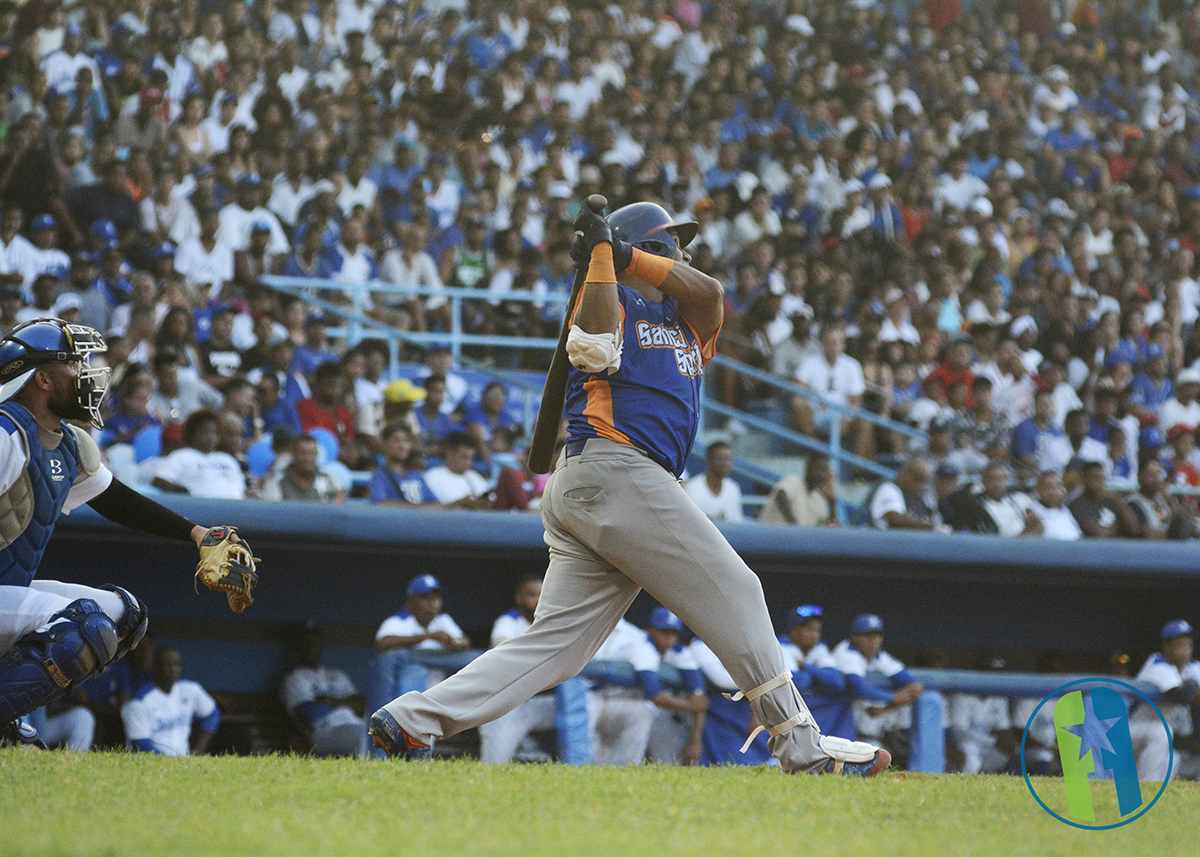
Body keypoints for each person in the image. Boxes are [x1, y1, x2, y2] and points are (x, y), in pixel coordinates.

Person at [370, 201, 889, 776]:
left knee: (557, 648)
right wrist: (602, 264)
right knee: (738, 587)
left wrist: (620, 254)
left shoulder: (690, 318)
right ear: (649, 245)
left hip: (604, 482)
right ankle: (800, 743)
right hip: (614, 466)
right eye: (676, 243)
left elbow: (711, 293)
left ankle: (412, 719)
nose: (686, 253)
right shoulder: (611, 298)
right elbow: (591, 345)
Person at [0, 319, 252, 748]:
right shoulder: (6, 432)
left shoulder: (70, 443)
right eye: (74, 365)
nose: (85, 375)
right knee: (83, 627)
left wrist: (197, 534)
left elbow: (117, 501)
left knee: (124, 616)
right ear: (42, 378)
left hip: (7, 592)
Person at [477, 577, 560, 763]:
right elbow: (501, 644)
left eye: (542, 595)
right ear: (519, 599)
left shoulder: (553, 622)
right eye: (532, 595)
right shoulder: (508, 621)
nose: (538, 600)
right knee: (493, 765)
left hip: (541, 702)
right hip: (506, 705)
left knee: (580, 708)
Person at [831, 614, 924, 765]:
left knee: (876, 759)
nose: (874, 641)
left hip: (865, 733)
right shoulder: (846, 652)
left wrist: (887, 708)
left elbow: (914, 685)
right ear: (855, 638)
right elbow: (859, 689)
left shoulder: (880, 657)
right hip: (836, 725)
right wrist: (893, 698)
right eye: (868, 636)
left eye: (877, 636)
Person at [1129, 620, 1200, 782]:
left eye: (1188, 646)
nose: (1185, 651)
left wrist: (1192, 685)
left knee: (1172, 759)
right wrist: (1194, 684)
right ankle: (1147, 785)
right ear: (1166, 649)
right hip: (1128, 730)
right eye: (1179, 646)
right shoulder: (1157, 665)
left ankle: (1152, 793)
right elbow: (1181, 696)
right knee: (1161, 731)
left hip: (1149, 736)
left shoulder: (1192, 666)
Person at [280, 623, 366, 757]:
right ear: (297, 647)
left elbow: (363, 705)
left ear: (321, 646)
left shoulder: (337, 675)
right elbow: (310, 714)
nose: (310, 648)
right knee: (367, 739)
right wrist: (347, 703)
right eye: (306, 643)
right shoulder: (295, 678)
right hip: (324, 731)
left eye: (315, 643)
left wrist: (332, 701)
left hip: (354, 725)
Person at [120, 645, 219, 755]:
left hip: (183, 761)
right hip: (150, 763)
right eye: (168, 665)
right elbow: (141, 743)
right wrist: (171, 763)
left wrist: (198, 752)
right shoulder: (138, 702)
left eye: (177, 665)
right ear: (156, 667)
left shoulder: (190, 689)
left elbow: (212, 714)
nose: (174, 670)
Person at [644, 607, 708, 766]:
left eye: (673, 633)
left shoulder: (681, 653)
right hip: (619, 701)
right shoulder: (640, 646)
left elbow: (699, 701)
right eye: (664, 632)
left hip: (663, 716)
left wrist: (695, 742)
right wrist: (688, 705)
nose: (670, 639)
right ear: (651, 630)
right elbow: (653, 695)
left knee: (666, 765)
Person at [150, 408, 246, 499]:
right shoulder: (182, 456)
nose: (210, 437)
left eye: (214, 432)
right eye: (205, 432)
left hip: (235, 508)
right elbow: (158, 480)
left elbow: (241, 489)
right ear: (192, 434)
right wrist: (182, 492)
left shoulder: (227, 459)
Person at [260, 432, 346, 503]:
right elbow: (272, 508)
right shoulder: (278, 478)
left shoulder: (324, 474)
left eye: (312, 453)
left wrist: (335, 504)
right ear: (293, 454)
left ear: (317, 455)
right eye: (303, 453)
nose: (307, 459)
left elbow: (342, 492)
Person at [367, 423, 437, 507]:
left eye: (406, 441)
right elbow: (380, 503)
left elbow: (434, 503)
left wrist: (453, 505)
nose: (402, 445)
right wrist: (416, 507)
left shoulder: (416, 475)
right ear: (384, 445)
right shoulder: (380, 476)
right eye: (396, 441)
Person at [757, 454, 837, 526]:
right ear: (808, 467)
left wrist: (832, 503)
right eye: (819, 469)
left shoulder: (819, 499)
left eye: (825, 471)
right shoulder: (794, 481)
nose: (821, 474)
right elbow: (781, 495)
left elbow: (828, 526)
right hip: (770, 536)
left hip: (793, 540)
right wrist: (794, 526)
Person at [1068, 460, 1137, 538]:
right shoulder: (1076, 504)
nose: (1100, 483)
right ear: (1084, 479)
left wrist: (1119, 502)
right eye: (1095, 478)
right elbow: (1097, 534)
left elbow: (1133, 529)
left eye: (1102, 478)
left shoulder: (1111, 500)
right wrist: (1120, 528)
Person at [422, 431, 491, 508]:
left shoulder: (474, 476)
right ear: (450, 454)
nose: (468, 463)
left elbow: (488, 498)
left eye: (470, 458)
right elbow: (431, 507)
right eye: (463, 457)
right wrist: (462, 502)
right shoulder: (432, 476)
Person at [870, 457, 940, 531]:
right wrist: (931, 527)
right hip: (888, 540)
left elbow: (936, 521)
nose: (922, 486)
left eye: (925, 481)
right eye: (918, 479)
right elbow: (895, 520)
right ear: (903, 475)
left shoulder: (924, 499)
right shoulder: (889, 489)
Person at [683, 440, 743, 523]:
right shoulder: (693, 487)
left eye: (728, 459)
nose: (725, 463)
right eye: (720, 459)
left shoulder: (733, 488)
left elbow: (736, 524)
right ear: (709, 461)